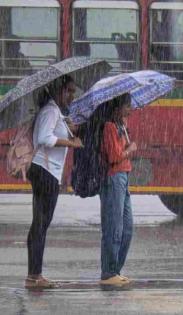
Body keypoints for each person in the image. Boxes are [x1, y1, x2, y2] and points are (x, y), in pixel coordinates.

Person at [25, 75, 83, 289]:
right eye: (69, 90)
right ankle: (34, 276)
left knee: (40, 224)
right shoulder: (50, 110)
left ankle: (34, 274)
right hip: (45, 172)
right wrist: (71, 143)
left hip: (46, 171)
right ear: (58, 91)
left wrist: (68, 127)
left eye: (73, 91)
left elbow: (51, 131)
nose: (72, 95)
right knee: (40, 224)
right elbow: (44, 138)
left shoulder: (55, 112)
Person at [99, 93, 137, 286]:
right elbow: (114, 157)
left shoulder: (121, 126)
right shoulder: (110, 127)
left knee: (127, 227)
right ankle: (108, 272)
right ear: (117, 108)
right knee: (114, 226)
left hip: (124, 176)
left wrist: (128, 146)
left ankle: (116, 270)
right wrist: (129, 150)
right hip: (113, 178)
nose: (129, 110)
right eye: (127, 106)